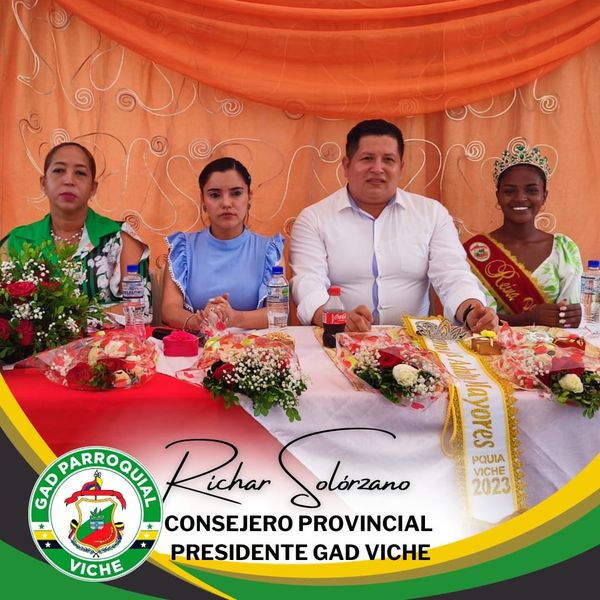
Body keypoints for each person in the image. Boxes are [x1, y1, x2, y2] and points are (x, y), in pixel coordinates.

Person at [290, 119, 498, 333]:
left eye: (388, 160)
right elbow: (308, 282)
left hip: (415, 342)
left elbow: (453, 274)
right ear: (346, 165)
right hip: (340, 338)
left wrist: (471, 311)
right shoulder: (314, 218)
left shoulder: (431, 214)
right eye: (367, 158)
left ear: (401, 168)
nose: (377, 169)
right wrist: (336, 319)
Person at [4, 141, 151, 318]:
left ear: (93, 188)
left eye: (80, 173)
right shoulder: (18, 240)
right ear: (43, 183)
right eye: (59, 171)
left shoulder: (120, 237)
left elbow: (140, 310)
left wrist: (71, 322)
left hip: (105, 338)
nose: (69, 180)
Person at [463, 144, 582, 328]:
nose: (520, 198)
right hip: (492, 344)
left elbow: (567, 316)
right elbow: (479, 319)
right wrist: (528, 318)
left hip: (553, 345)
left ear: (544, 196)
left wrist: (573, 316)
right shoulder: (475, 251)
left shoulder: (564, 248)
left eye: (531, 190)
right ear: (498, 196)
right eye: (510, 191)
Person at [161, 157, 284, 331]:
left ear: (249, 197)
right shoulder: (182, 249)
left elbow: (279, 311)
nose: (226, 203)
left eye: (236, 193)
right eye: (214, 195)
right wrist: (197, 321)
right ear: (203, 201)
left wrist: (236, 318)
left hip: (254, 345)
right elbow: (169, 309)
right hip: (198, 343)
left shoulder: (269, 250)